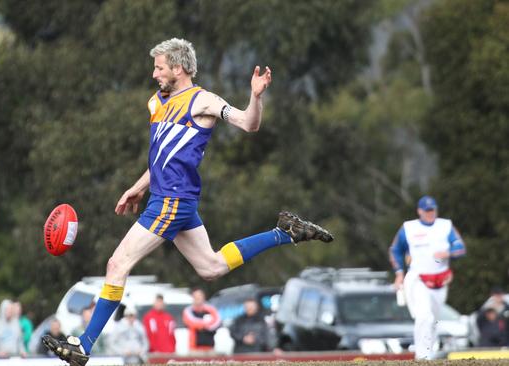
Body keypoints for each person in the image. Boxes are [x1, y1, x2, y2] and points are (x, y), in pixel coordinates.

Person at [42, 37, 333, 366]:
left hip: (171, 201)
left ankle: (84, 344)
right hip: (169, 200)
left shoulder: (202, 101)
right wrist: (138, 187)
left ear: (178, 68)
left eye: (160, 67)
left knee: (116, 264)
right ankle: (285, 233)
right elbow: (162, 157)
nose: (154, 74)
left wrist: (255, 96)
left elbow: (249, 124)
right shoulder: (156, 103)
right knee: (211, 267)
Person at [389, 195, 466, 360]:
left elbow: (460, 247)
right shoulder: (409, 228)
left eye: (433, 210)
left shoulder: (445, 226)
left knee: (433, 320)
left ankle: (429, 353)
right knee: (424, 316)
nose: (430, 213)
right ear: (419, 211)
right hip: (418, 278)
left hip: (440, 280)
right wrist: (399, 273)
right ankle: (422, 356)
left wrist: (448, 253)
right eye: (427, 210)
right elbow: (395, 249)